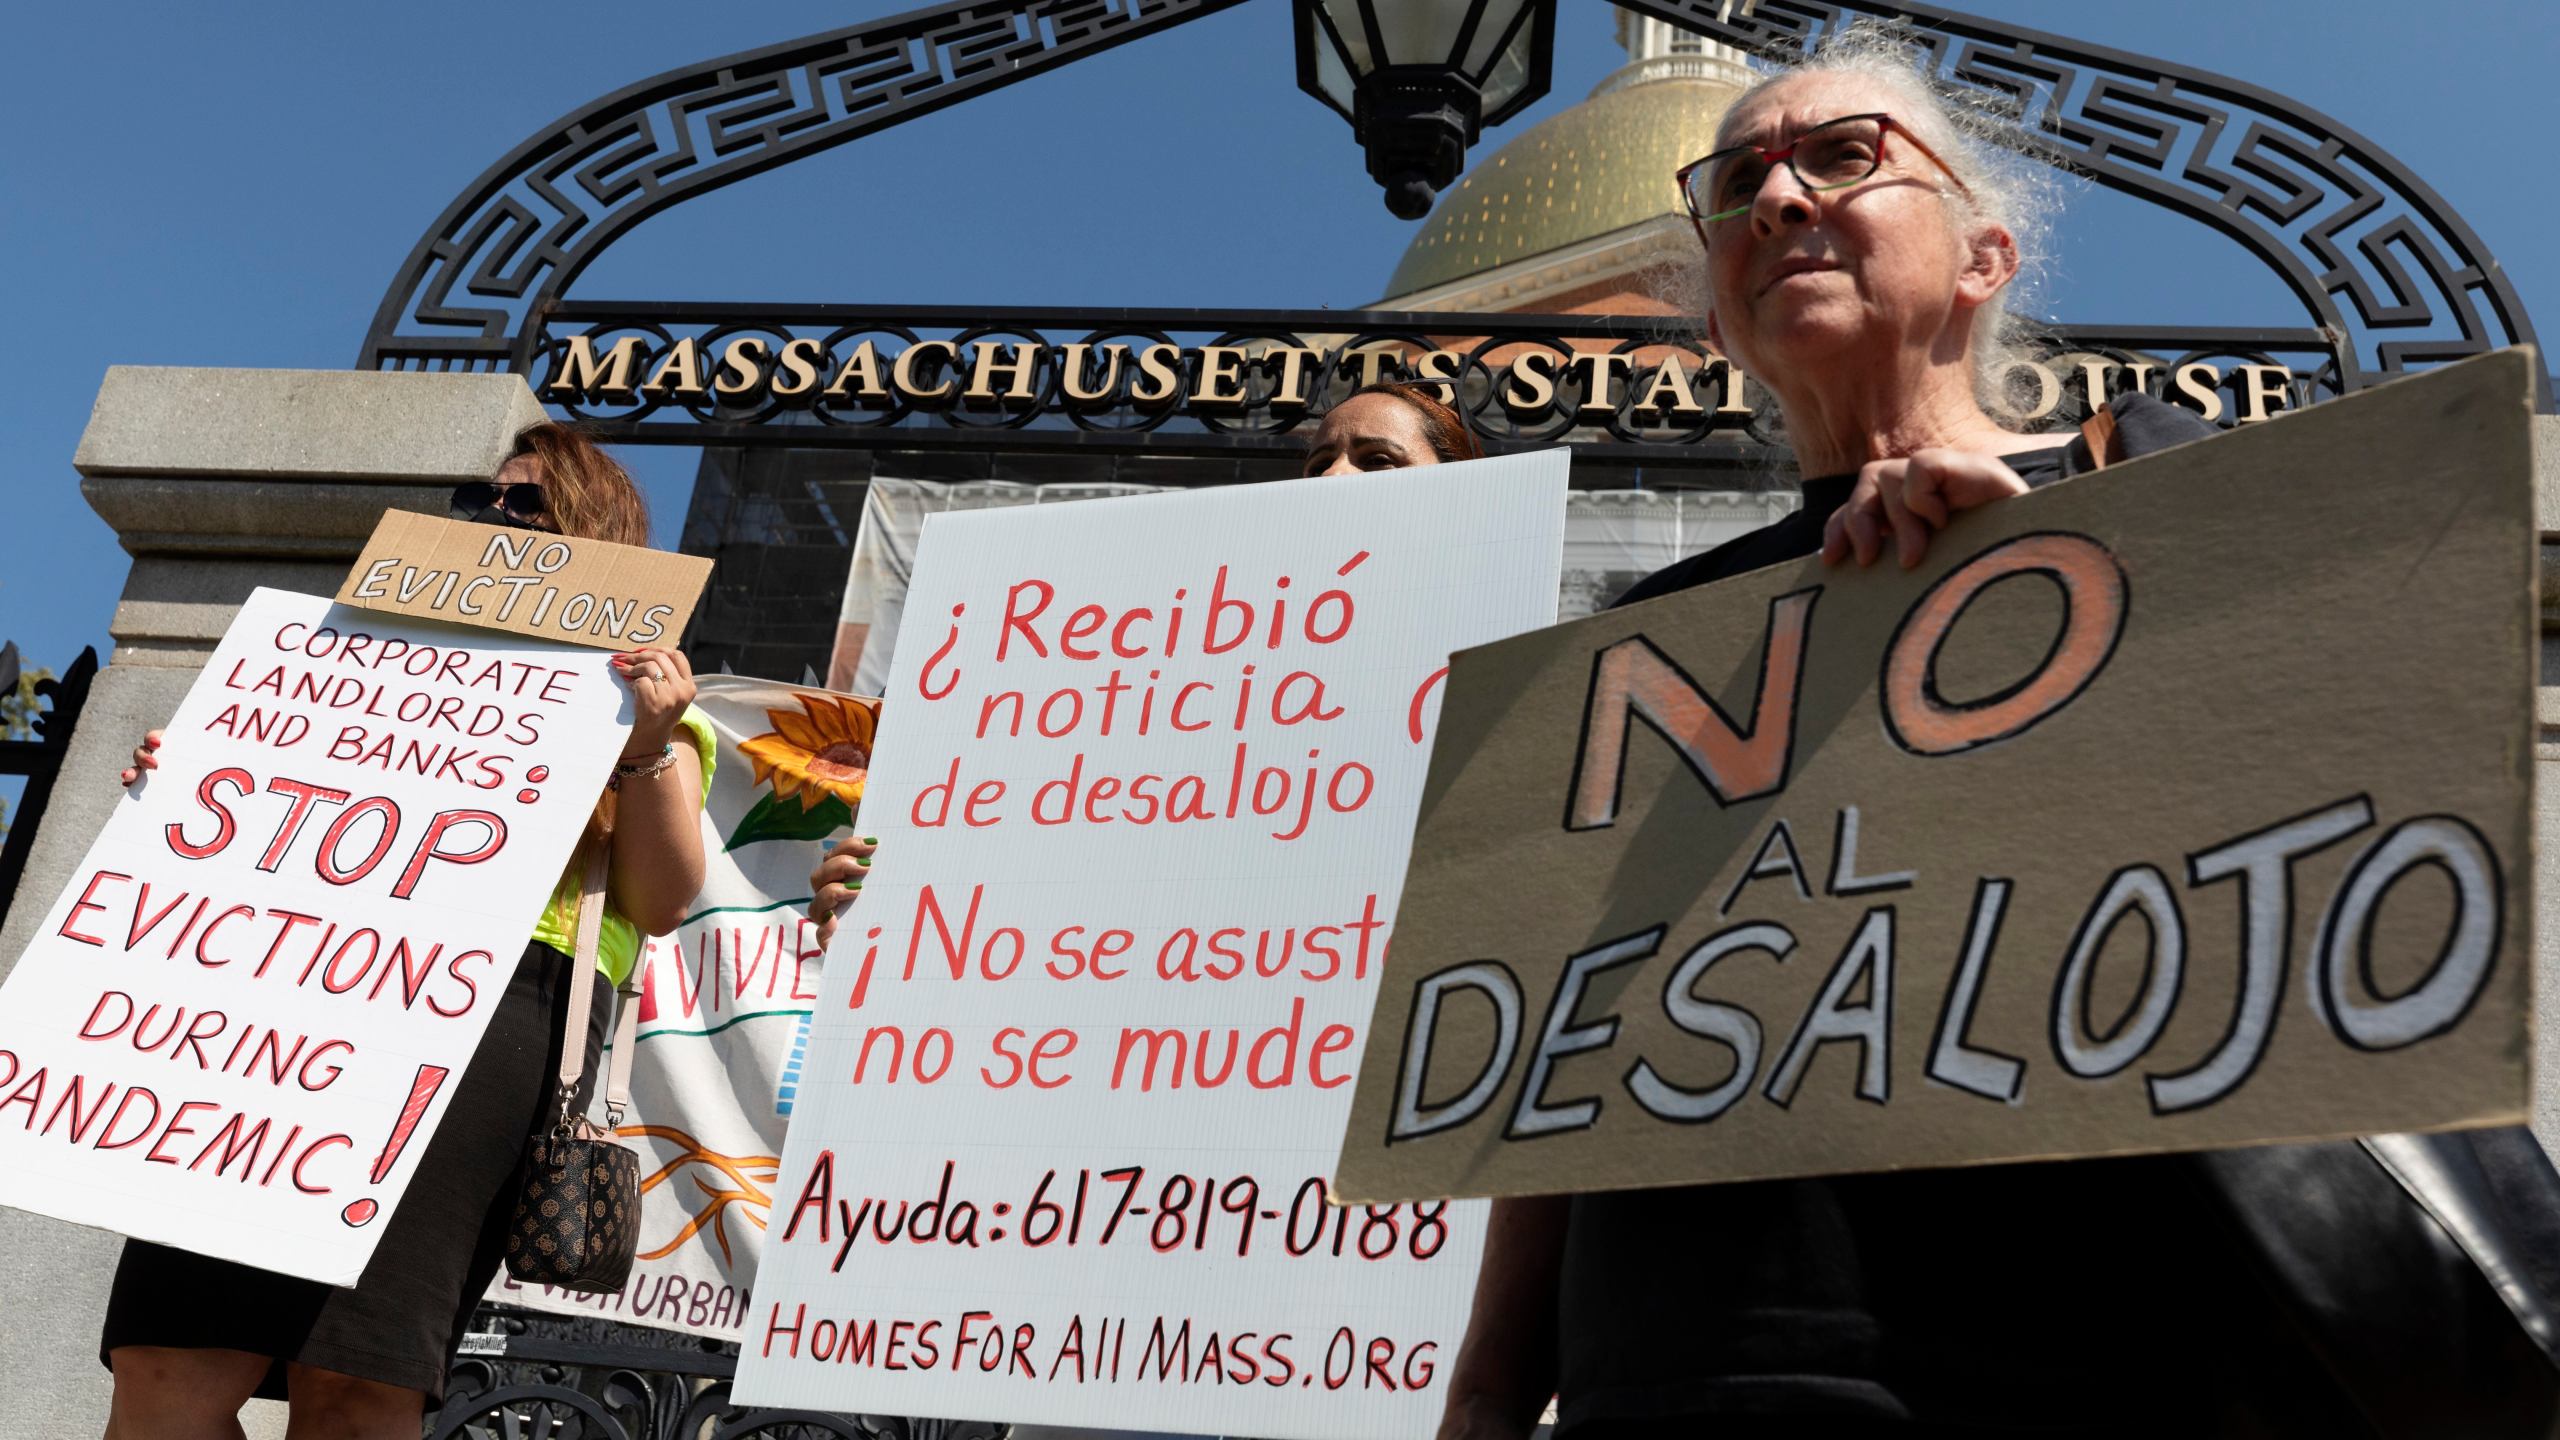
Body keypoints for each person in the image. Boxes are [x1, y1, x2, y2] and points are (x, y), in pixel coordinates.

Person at [1437, 25, 2560, 1440]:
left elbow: (2350, 871)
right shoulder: (1648, 641)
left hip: (2088, 1352)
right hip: (1684, 1374)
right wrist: (1486, 1396)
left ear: (1984, 256)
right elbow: (1565, 1046)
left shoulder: (2169, 499)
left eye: (1844, 158)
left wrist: (2068, 599)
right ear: (1713, 319)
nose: (1781, 201)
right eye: (1737, 188)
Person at [100, 422, 715, 1440]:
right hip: (285, 1002)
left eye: (522, 506)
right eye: (481, 505)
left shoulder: (637, 693)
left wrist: (645, 748)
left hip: (490, 1023)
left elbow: (662, 900)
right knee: (168, 1362)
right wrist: (188, 785)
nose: (489, 522)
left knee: (355, 1383)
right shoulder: (357, 659)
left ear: (591, 537)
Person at [804, 378, 1488, 944]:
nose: (1334, 475)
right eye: (1318, 462)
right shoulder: (1196, 693)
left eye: (1377, 462)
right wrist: (889, 927)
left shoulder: (1501, 682)